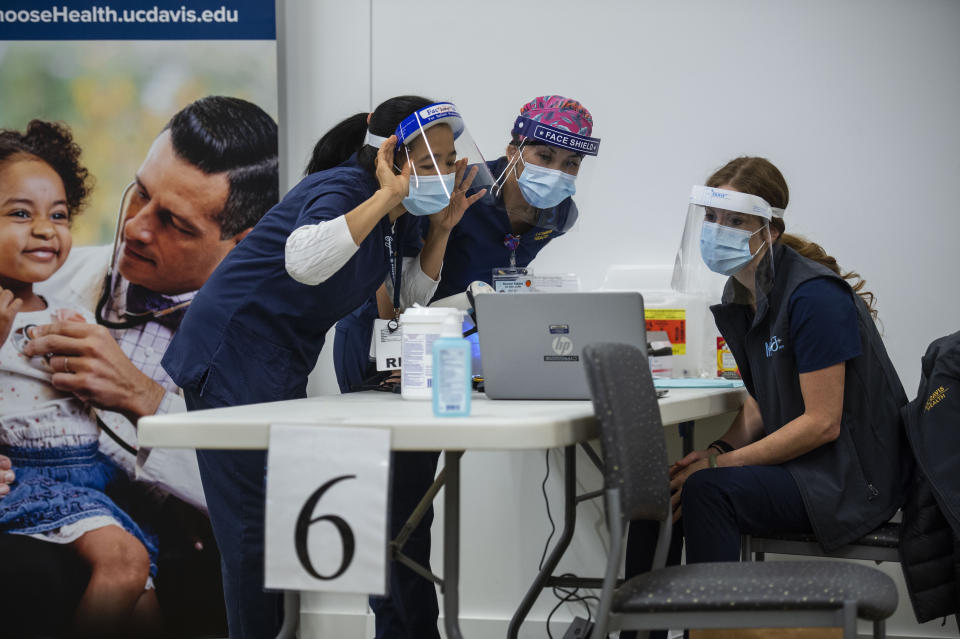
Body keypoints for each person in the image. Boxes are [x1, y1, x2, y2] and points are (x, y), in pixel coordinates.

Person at [161, 95, 490, 639]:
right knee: (251, 533)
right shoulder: (339, 189)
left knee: (276, 524)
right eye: (430, 160)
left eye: (449, 159)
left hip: (278, 362)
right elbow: (305, 262)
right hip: (230, 353)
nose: (444, 172)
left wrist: (441, 230)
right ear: (392, 156)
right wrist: (385, 196)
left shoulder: (399, 214)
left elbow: (406, 297)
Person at [2, 96, 279, 638]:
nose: (134, 228)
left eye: (173, 222)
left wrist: (145, 399)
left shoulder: (270, 340)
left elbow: (268, 497)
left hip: (172, 552)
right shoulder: (38, 278)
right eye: (140, 194)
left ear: (242, 245)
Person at [328, 94, 600, 639]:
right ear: (513, 149)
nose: (558, 173)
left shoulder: (560, 214)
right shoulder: (460, 183)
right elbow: (391, 270)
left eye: (572, 164)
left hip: (455, 352)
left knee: (414, 509)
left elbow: (504, 281)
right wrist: (399, 342)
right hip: (385, 342)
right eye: (545, 157)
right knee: (398, 514)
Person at [625, 157, 910, 638]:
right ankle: (639, 634)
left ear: (769, 229)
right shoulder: (744, 293)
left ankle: (711, 631)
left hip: (850, 477)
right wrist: (714, 451)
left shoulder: (812, 295)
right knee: (668, 486)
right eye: (712, 218)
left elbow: (822, 423)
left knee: (708, 491)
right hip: (808, 467)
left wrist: (716, 469)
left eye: (735, 220)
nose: (719, 230)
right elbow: (759, 403)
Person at [0, 119, 161, 637]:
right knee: (126, 562)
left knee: (144, 606)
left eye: (60, 215)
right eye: (20, 214)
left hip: (89, 478)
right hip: (30, 478)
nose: (47, 230)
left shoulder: (69, 309)